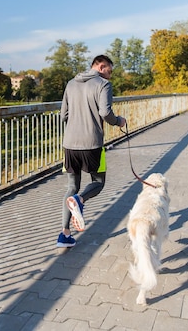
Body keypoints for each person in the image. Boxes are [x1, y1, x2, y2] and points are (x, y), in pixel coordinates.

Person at [56, 54, 127, 248]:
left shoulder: (71, 84)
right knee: (98, 182)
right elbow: (105, 112)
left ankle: (64, 235)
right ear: (101, 66)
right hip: (92, 144)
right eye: (109, 71)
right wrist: (118, 121)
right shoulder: (103, 84)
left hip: (69, 144)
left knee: (71, 187)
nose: (110, 76)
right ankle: (80, 200)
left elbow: (64, 115)